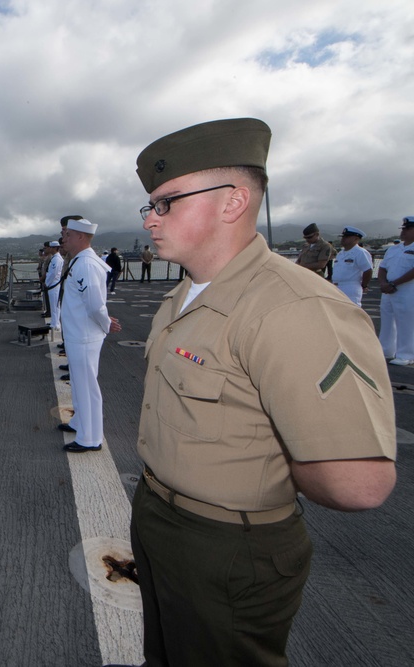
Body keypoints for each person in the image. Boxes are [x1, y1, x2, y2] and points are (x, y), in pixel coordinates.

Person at [132, 118, 396, 667]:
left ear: (233, 202)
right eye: (149, 206)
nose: (150, 219)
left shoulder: (294, 307)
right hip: (160, 519)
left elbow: (358, 483)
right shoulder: (183, 296)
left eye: (166, 203)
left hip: (229, 546)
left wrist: (267, 471)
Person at [55, 217, 121, 452]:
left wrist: (105, 324)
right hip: (77, 333)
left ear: (81, 237)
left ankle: (90, 438)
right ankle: (78, 422)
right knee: (78, 384)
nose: (64, 238)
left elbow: (94, 304)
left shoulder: (86, 264)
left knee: (86, 387)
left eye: (68, 235)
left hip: (84, 335)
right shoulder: (80, 260)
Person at [378, 216, 414, 366]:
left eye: (407, 229)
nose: (403, 231)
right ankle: (386, 350)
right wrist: (383, 283)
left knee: (406, 322)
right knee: (387, 319)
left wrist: (394, 284)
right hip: (388, 290)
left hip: (408, 289)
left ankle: (406, 354)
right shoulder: (394, 249)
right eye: (403, 229)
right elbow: (382, 267)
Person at [331, 226, 373, 306]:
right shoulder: (341, 253)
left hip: (350, 287)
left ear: (356, 239)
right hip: (336, 286)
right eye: (343, 236)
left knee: (351, 313)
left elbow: (367, 270)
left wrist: (364, 285)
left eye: (346, 237)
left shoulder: (360, 252)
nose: (343, 239)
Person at [45, 241, 65, 330]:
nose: (49, 249)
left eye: (51, 247)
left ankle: (55, 324)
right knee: (55, 305)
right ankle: (55, 322)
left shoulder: (56, 259)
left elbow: (53, 274)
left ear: (54, 248)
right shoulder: (55, 258)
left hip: (53, 284)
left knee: (54, 305)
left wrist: (47, 283)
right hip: (54, 284)